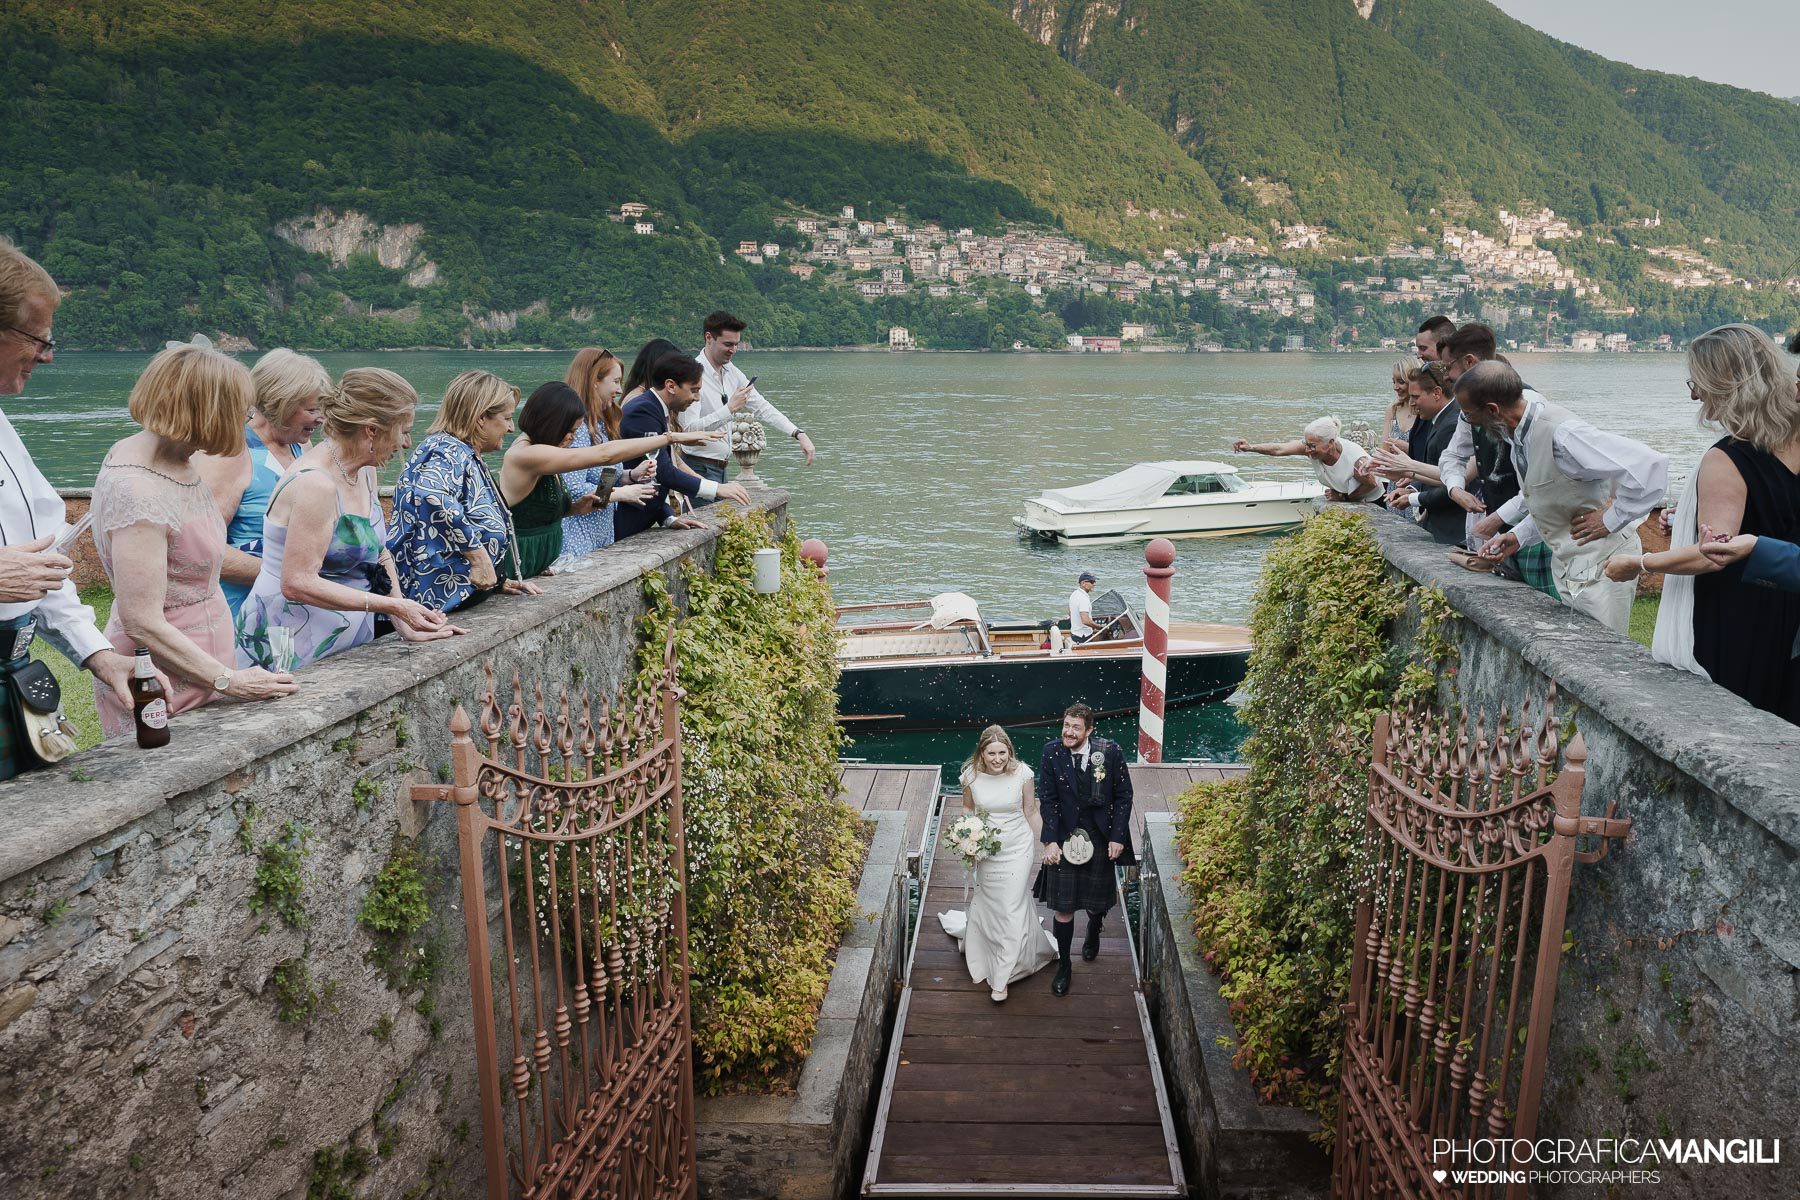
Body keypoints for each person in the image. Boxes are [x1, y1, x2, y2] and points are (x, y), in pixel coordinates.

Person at [0, 238, 169, 777]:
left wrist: (99, 657)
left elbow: (48, 562)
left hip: (14, 674)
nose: (47, 355)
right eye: (38, 339)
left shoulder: (4, 429)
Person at [92, 342, 297, 737]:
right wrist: (228, 681)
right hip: (163, 680)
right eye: (241, 408)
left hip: (206, 662)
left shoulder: (179, 460)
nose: (248, 417)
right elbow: (142, 621)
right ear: (207, 410)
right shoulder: (137, 489)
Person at [1603, 325, 1800, 722]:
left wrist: (1638, 565)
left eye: (1698, 382)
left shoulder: (1727, 458)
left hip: (1738, 617)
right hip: (1787, 615)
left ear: (1726, 384)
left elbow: (1714, 555)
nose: (1694, 395)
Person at [236, 368, 463, 670]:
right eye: (403, 430)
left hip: (345, 635)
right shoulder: (314, 484)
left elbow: (379, 552)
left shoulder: (363, 469)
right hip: (287, 639)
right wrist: (392, 605)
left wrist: (402, 620)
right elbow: (297, 582)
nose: (406, 443)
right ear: (371, 429)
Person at [1460, 363, 1667, 634]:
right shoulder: (1518, 437)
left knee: (1600, 657)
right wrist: (1518, 536)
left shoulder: (1563, 435)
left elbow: (1649, 466)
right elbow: (1551, 495)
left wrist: (1611, 519)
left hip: (1603, 564)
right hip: (1572, 567)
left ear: (1492, 410)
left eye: (1467, 415)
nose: (1469, 422)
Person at [499, 381, 714, 575]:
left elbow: (534, 509)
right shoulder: (526, 453)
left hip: (542, 559)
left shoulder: (548, 447)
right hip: (523, 559)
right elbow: (605, 455)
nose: (572, 437)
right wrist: (670, 438)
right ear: (551, 423)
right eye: (570, 431)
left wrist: (573, 508)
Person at [388, 370, 544, 614]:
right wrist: (478, 557)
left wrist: (497, 581)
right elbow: (431, 494)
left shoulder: (462, 451)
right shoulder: (447, 451)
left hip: (455, 600)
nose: (511, 428)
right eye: (506, 418)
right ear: (481, 417)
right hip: (433, 605)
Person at [195, 349, 330, 617]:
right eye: (312, 409)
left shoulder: (300, 447)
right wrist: (289, 575)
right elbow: (200, 550)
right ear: (282, 403)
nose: (321, 418)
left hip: (289, 608)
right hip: (238, 612)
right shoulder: (229, 454)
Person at [936, 726, 1056, 1002]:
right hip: (985, 849)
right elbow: (968, 808)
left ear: (1009, 752)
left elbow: (1030, 810)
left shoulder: (1023, 774)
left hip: (1017, 847)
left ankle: (1002, 978)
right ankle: (989, 948)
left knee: (1011, 903)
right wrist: (967, 835)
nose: (998, 758)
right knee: (990, 901)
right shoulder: (970, 776)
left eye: (1002, 752)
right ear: (982, 753)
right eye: (991, 753)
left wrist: (1047, 842)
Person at [1035, 703, 1134, 997]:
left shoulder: (1110, 751)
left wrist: (1118, 837)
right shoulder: (1051, 752)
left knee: (1097, 902)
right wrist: (1049, 840)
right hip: (1066, 836)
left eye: (1076, 727)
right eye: (1066, 725)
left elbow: (1124, 795)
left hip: (1100, 835)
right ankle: (1065, 964)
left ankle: (1095, 925)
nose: (1068, 732)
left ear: (1089, 730)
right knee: (1063, 907)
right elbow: (1048, 799)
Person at [684, 311, 816, 497]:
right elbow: (688, 431)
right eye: (728, 344)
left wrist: (797, 433)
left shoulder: (731, 372)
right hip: (696, 468)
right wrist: (729, 409)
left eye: (736, 345)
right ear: (709, 338)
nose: (733, 350)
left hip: (722, 468)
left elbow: (761, 407)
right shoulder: (692, 375)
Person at [615, 355, 744, 541]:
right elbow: (662, 471)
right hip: (625, 520)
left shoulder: (655, 408)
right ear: (671, 386)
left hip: (644, 517)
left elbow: (653, 473)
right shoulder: (643, 411)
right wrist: (717, 489)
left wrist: (667, 517)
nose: (697, 398)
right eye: (694, 390)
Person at [560, 348, 657, 558]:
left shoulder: (600, 425)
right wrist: (622, 494)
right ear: (594, 381)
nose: (620, 390)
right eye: (615, 382)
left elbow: (599, 477)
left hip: (599, 532)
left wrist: (629, 476)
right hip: (578, 537)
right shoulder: (578, 429)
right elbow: (573, 490)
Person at [1380, 362, 1467, 545]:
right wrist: (1412, 485)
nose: (1411, 403)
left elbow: (1453, 482)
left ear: (1436, 393)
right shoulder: (1441, 419)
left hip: (1452, 530)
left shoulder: (1451, 425)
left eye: (1416, 397)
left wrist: (1413, 495)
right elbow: (1438, 470)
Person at [1232, 417, 1380, 502]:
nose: (1307, 450)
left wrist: (1342, 497)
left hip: (1374, 502)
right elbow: (1279, 449)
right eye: (1306, 444)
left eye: (1312, 446)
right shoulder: (1311, 448)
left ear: (1330, 443)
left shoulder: (1357, 461)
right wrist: (1251, 447)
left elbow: (1372, 484)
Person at [1384, 356, 1422, 442]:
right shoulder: (1392, 409)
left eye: (1401, 382)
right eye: (1394, 382)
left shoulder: (1425, 412)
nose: (1395, 387)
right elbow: (1384, 448)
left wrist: (1407, 448)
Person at [1068, 571, 1098, 642]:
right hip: (1083, 636)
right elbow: (1085, 621)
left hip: (1074, 634)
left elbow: (1070, 613)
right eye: (1092, 582)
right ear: (1083, 584)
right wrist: (1098, 626)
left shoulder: (1074, 594)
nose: (1094, 584)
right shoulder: (1083, 599)